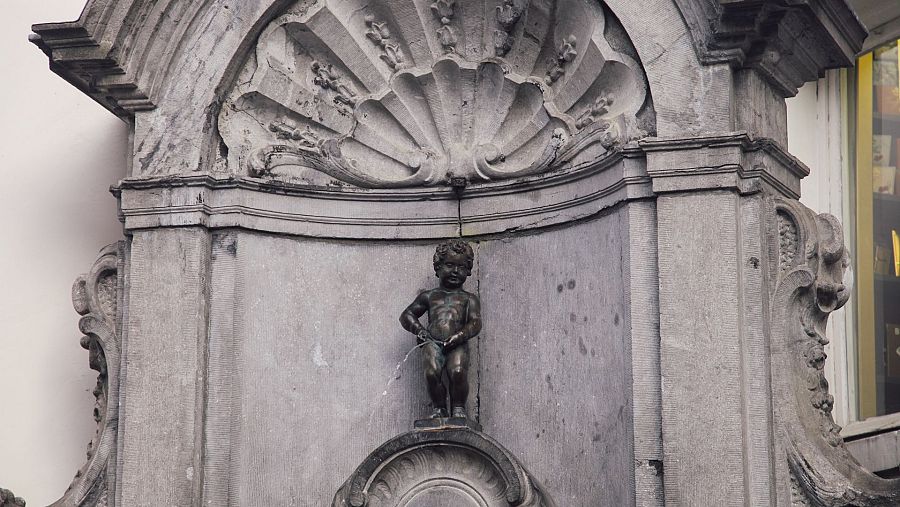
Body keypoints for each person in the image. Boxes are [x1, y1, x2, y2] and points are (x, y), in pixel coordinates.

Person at [399, 239, 482, 419]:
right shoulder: (429, 296)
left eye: (461, 267)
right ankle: (439, 407)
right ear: (438, 266)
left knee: (458, 372)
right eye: (449, 265)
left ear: (468, 270)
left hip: (457, 343)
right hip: (432, 341)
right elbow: (406, 315)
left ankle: (458, 407)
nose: (455, 271)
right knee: (431, 373)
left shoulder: (469, 299)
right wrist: (420, 331)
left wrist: (460, 336)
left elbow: (476, 323)